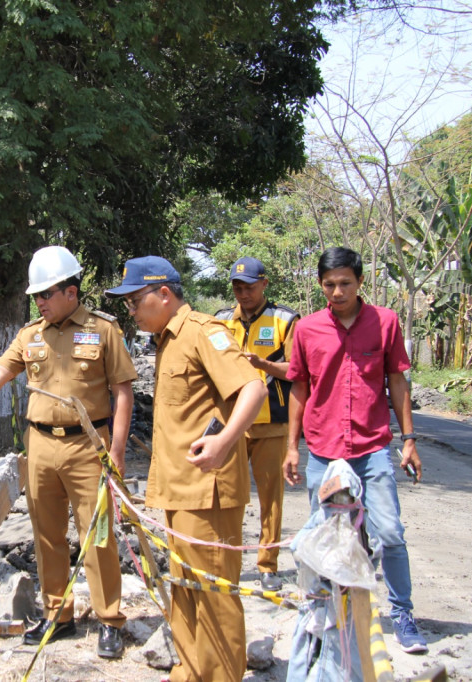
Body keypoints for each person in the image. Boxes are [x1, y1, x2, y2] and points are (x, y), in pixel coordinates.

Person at [0, 245, 136, 659]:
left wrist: (118, 451)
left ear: (71, 291)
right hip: (40, 446)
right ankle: (59, 615)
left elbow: (122, 390)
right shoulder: (29, 334)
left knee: (99, 535)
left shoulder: (104, 329)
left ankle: (109, 620)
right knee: (46, 535)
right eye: (35, 295)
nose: (39, 302)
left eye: (46, 294)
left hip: (90, 448)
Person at [106, 256, 266, 681]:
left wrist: (224, 440)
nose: (132, 311)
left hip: (207, 491)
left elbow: (253, 387)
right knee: (186, 589)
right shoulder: (166, 341)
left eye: (136, 301)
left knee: (213, 594)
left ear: (164, 294)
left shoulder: (201, 333)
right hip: (179, 490)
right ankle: (190, 671)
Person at [283, 246, 429, 655]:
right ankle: (326, 612)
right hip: (325, 451)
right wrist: (291, 448)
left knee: (389, 534)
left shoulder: (385, 323)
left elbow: (398, 382)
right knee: (322, 535)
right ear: (320, 285)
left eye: (345, 282)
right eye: (329, 284)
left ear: (360, 281)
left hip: (372, 448)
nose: (337, 291)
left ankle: (402, 614)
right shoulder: (308, 329)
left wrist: (410, 439)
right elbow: (299, 388)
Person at [216, 256, 299, 593]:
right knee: (229, 497)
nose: (243, 293)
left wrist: (262, 364)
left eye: (249, 286)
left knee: (271, 498)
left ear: (264, 284)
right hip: (232, 424)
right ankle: (229, 563)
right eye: (237, 287)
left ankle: (268, 565)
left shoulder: (285, 320)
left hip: (271, 423)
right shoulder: (220, 321)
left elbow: (298, 371)